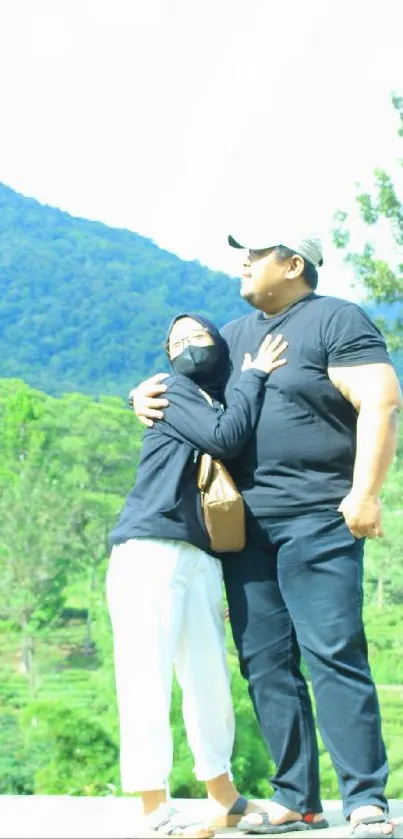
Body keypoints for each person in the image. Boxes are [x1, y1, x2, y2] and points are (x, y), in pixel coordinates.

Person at [131, 226, 402, 838]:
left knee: (333, 654)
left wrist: (364, 492)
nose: (243, 264)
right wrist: (140, 397)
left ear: (293, 263)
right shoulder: (234, 337)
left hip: (319, 518)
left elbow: (381, 401)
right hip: (245, 531)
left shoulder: (336, 319)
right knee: (265, 663)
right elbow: (192, 391)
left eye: (254, 255)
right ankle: (296, 799)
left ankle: (364, 798)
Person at [107, 312, 288, 838]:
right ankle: (153, 804)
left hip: (201, 555)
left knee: (209, 679)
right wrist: (256, 376)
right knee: (147, 678)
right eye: (175, 341)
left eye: (196, 335)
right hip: (149, 548)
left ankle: (224, 796)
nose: (187, 345)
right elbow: (226, 439)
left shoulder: (214, 393)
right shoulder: (172, 388)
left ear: (216, 341)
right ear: (166, 359)